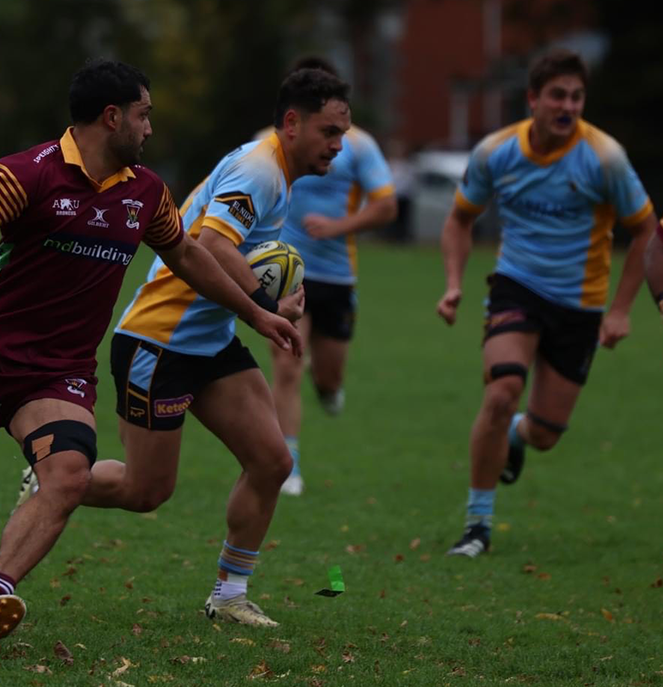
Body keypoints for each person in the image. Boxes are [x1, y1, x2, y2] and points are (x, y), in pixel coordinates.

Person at [0, 59, 301, 642]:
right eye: (144, 116)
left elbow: (189, 256)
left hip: (60, 374)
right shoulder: (27, 175)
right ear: (112, 117)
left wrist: (255, 312)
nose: (150, 129)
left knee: (69, 476)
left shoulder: (145, 192)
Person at [64, 67, 351, 627]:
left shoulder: (276, 169)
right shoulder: (260, 170)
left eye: (343, 133)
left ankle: (228, 595)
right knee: (146, 491)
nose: (338, 146)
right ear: (292, 123)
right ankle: (57, 481)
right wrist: (263, 306)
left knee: (271, 461)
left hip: (209, 342)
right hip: (159, 339)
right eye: (329, 132)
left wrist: (265, 300)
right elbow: (211, 245)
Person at [437, 49, 656, 557]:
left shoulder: (604, 158)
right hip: (517, 286)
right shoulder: (496, 152)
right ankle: (478, 526)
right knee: (501, 390)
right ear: (533, 98)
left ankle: (517, 435)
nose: (568, 105)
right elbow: (459, 219)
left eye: (577, 97)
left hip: (580, 305)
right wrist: (453, 283)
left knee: (545, 435)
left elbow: (646, 232)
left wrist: (621, 309)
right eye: (558, 94)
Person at [268, 56, 397, 496]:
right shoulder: (267, 146)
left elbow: (387, 205)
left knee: (327, 377)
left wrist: (337, 227)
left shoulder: (358, 146)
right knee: (286, 364)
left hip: (338, 276)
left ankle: (328, 389)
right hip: (287, 272)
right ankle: (290, 464)